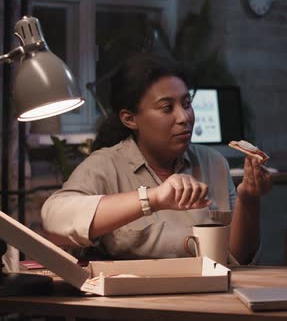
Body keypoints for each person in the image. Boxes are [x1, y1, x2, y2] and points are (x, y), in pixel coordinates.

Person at [41, 53, 272, 265]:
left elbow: (238, 258)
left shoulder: (213, 163)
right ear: (130, 119)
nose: (184, 118)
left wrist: (248, 199)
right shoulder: (105, 166)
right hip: (134, 303)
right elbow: (53, 219)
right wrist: (152, 198)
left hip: (208, 301)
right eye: (166, 108)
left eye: (186, 104)